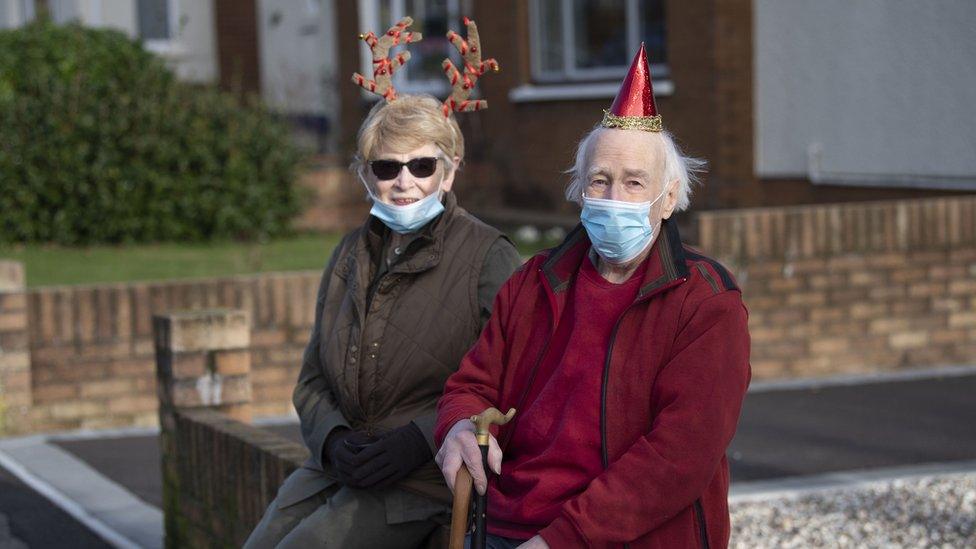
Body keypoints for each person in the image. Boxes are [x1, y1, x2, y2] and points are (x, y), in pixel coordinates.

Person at [435, 44, 751, 549]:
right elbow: (472, 385)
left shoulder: (706, 303)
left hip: (633, 537)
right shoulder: (534, 281)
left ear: (668, 198)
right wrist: (455, 426)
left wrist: (561, 540)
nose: (613, 200)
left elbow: (679, 457)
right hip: (511, 523)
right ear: (579, 190)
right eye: (599, 181)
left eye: (633, 183)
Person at [244, 19, 521, 548]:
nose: (404, 181)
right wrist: (333, 440)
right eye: (387, 165)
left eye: (421, 164)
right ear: (366, 173)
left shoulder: (489, 256)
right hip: (339, 467)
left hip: (423, 478)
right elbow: (311, 377)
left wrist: (419, 439)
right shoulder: (349, 253)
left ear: (450, 169)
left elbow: (513, 377)